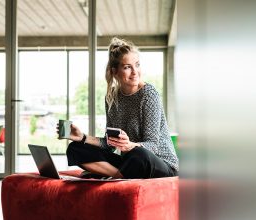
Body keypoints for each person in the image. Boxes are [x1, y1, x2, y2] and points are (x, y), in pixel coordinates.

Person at [61, 37, 178, 179]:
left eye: (137, 65)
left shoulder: (149, 94)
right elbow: (109, 143)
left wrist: (130, 145)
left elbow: (152, 145)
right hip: (130, 162)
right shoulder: (111, 98)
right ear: (115, 71)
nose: (135, 72)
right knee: (75, 148)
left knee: (138, 154)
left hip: (159, 163)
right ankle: (119, 175)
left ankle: (113, 175)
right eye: (127, 67)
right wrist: (83, 137)